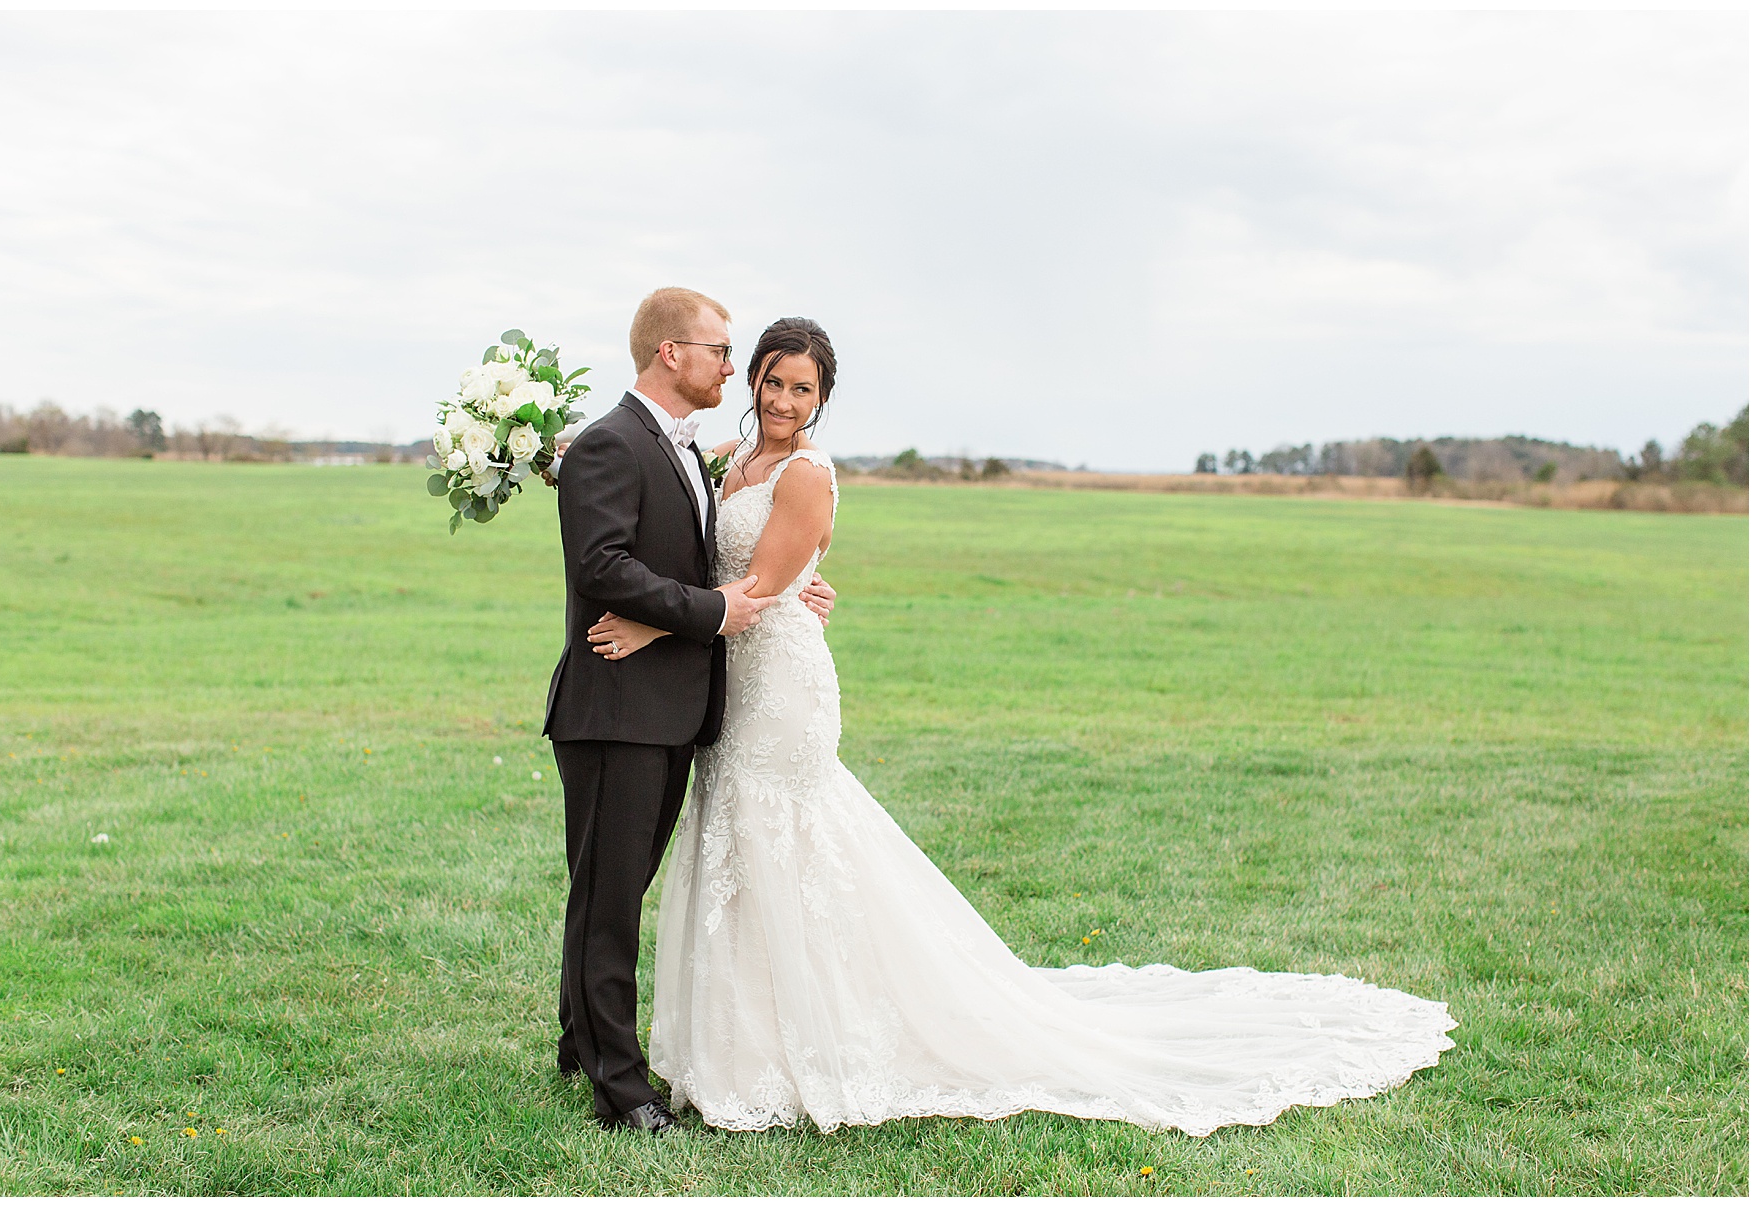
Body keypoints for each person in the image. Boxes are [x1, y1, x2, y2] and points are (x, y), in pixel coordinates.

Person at [585, 316, 1459, 1136]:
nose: (782, 401)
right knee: (736, 845)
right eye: (773, 382)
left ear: (823, 399)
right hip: (730, 680)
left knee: (785, 845)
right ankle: (740, 1045)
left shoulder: (807, 472)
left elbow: (766, 587)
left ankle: (809, 1048)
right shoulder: (729, 458)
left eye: (802, 391)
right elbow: (728, 559)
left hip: (778, 686)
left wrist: (652, 622)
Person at [541, 288, 837, 1134]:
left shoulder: (690, 450)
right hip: (616, 707)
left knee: (611, 886)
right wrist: (705, 612)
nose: (733, 369)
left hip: (672, 706)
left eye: (795, 386)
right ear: (672, 352)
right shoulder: (611, 442)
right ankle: (621, 1087)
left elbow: (722, 554)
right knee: (608, 898)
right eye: (721, 349)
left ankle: (579, 1038)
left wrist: (793, 586)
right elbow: (601, 564)